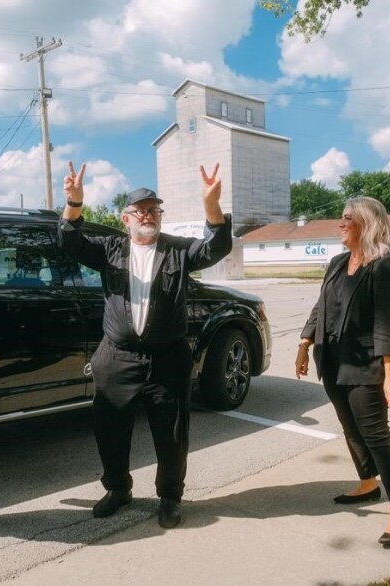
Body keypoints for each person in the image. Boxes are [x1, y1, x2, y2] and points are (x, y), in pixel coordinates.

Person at [58, 161, 231, 529]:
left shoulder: (179, 251)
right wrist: (74, 203)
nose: (148, 215)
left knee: (171, 433)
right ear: (126, 219)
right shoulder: (108, 249)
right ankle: (118, 489)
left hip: (167, 358)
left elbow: (217, 246)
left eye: (154, 210)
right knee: (110, 429)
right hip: (116, 357)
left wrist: (211, 206)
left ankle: (170, 497)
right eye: (140, 210)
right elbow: (69, 241)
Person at [295, 196, 390, 547]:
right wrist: (304, 343)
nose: (341, 223)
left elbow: (385, 325)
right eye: (342, 218)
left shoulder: (384, 268)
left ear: (366, 223)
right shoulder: (337, 263)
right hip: (332, 361)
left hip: (366, 365)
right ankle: (367, 483)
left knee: (376, 434)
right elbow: (321, 306)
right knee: (351, 428)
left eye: (348, 218)